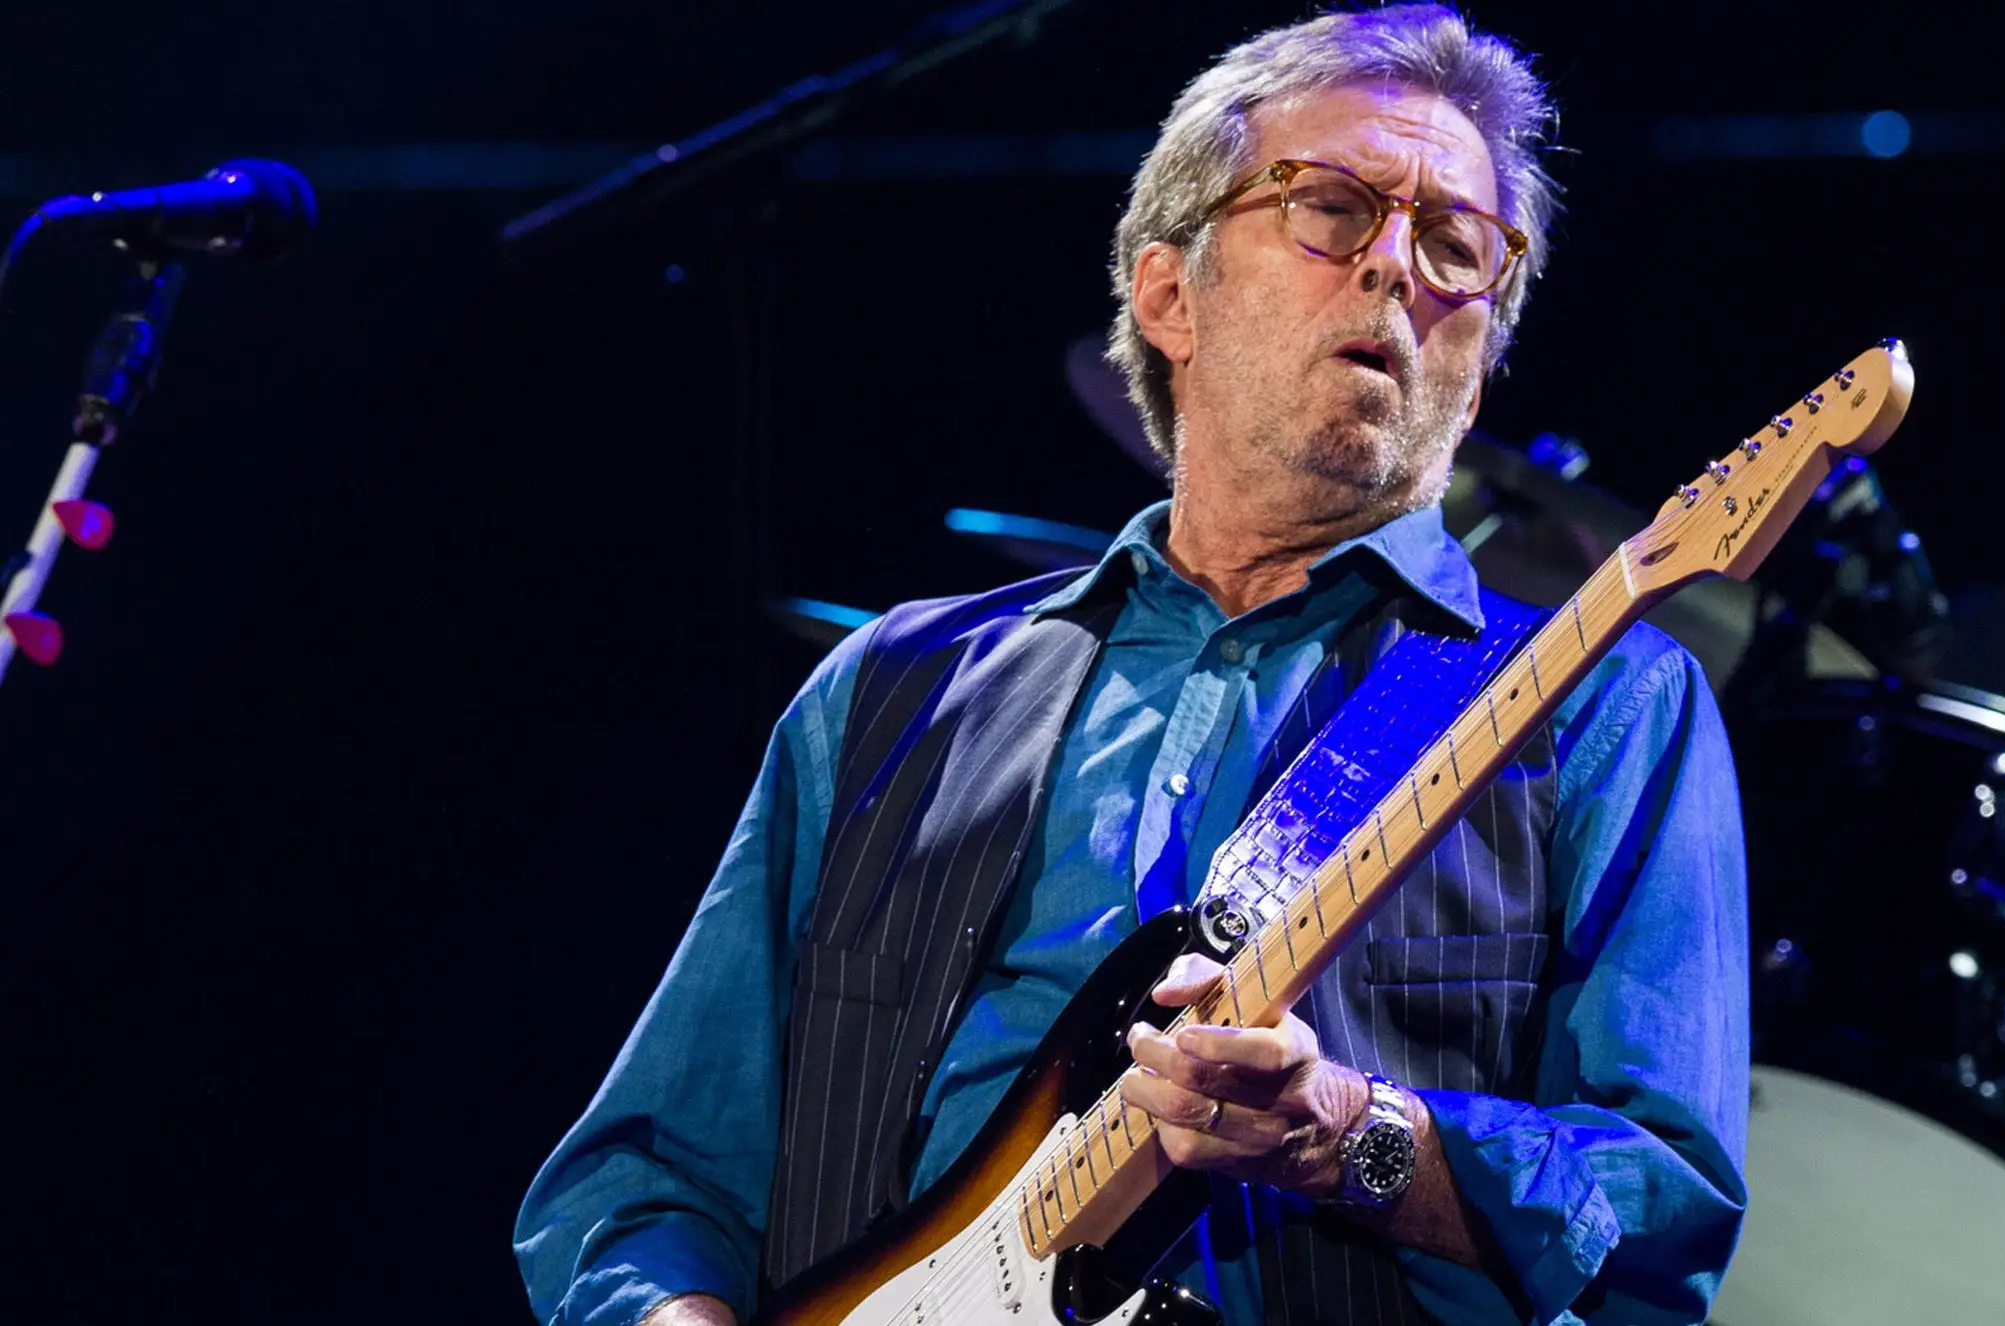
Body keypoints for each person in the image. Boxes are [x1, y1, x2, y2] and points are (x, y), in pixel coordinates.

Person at [513, 6, 1749, 1325]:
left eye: (1457, 243)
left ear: (1482, 355)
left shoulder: (1599, 706)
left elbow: (1657, 1218)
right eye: (1333, 207)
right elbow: (646, 1176)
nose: (1398, 268)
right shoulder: (890, 690)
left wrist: (1348, 1131)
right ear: (1170, 292)